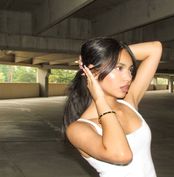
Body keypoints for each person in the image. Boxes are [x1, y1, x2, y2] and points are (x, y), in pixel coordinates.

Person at [63, 37, 162, 177]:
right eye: (119, 68)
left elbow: (155, 48)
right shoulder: (79, 129)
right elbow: (122, 155)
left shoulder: (129, 103)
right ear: (93, 72)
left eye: (130, 69)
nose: (128, 77)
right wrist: (99, 99)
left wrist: (106, 56)